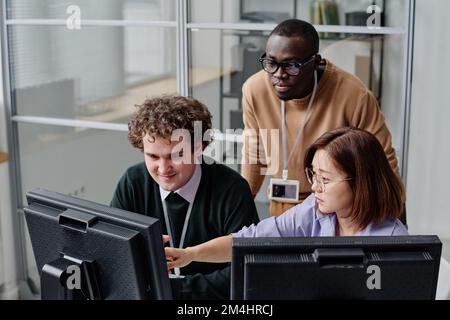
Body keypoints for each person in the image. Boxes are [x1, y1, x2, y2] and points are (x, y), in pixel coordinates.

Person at [166, 127, 408, 270]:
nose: (314, 187)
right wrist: (190, 254)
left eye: (325, 179)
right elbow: (248, 241)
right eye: (313, 175)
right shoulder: (314, 211)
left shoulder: (393, 242)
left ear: (361, 181)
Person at [241, 19, 402, 219]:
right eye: (271, 62)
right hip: (281, 211)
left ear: (316, 62)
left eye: (291, 65)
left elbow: (384, 161)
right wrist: (240, 210)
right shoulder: (254, 89)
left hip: (336, 213)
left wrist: (397, 224)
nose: (279, 74)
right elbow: (254, 155)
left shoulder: (354, 95)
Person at [110, 95, 259, 299]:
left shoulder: (232, 189)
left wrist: (171, 291)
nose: (163, 169)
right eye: (153, 156)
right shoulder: (133, 182)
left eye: (175, 156)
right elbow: (113, 255)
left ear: (199, 148)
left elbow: (247, 270)